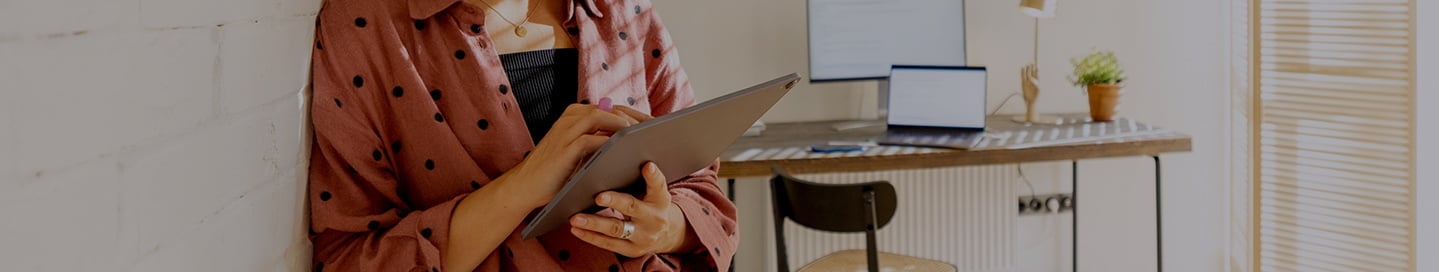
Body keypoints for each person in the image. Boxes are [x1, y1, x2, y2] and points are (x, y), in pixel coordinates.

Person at [305, 0, 737, 270]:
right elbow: (347, 257)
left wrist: (663, 229)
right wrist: (522, 187)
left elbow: (701, 188)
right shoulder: (364, 27)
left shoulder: (625, 12)